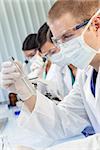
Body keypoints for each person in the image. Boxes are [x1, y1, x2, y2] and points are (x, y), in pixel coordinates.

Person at [0, 0, 100, 149]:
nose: (63, 48)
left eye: (67, 37)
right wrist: (24, 90)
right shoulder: (86, 74)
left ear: (96, 24)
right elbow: (64, 120)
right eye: (58, 41)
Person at [37, 22, 77, 101]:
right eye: (47, 55)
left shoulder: (84, 66)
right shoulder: (62, 68)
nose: (52, 58)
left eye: (52, 52)